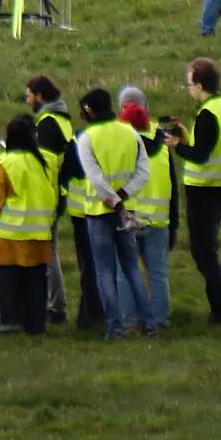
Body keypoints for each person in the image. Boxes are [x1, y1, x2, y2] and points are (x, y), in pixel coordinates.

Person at [165, 58, 221, 326]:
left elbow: (200, 155)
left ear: (200, 85)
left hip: (203, 189)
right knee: (208, 251)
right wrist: (188, 138)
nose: (188, 89)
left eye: (189, 84)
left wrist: (177, 145)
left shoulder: (207, 113)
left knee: (203, 254)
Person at [73, 86, 157, 340]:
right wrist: (124, 196)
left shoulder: (88, 137)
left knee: (105, 272)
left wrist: (112, 200)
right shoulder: (130, 132)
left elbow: (94, 177)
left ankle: (115, 327)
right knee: (132, 268)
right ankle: (149, 324)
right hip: (126, 210)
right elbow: (144, 172)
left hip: (99, 212)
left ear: (89, 111)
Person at [0, 112, 57, 336]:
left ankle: (11, 322)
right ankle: (36, 325)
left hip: (11, 233)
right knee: (36, 280)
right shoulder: (44, 162)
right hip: (40, 232)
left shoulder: (4, 164)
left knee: (9, 279)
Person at [23, 74, 80, 326]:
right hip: (60, 193)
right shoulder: (62, 119)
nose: (27, 101)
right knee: (50, 251)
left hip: (48, 195)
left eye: (28, 95)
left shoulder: (47, 123)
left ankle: (56, 307)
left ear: (40, 95)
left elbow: (45, 166)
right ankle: (55, 305)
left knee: (47, 253)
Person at [119, 84, 175, 333]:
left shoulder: (119, 137)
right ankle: (159, 320)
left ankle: (129, 321)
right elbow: (172, 182)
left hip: (128, 216)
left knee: (125, 272)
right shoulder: (162, 139)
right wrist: (175, 222)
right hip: (158, 218)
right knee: (157, 273)